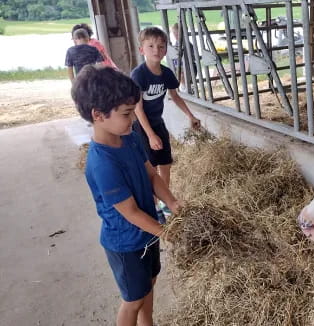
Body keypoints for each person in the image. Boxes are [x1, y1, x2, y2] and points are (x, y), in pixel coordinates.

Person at [71, 65, 181, 326]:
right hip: (125, 242)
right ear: (98, 115)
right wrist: (167, 232)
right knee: (133, 300)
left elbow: (152, 175)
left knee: (149, 283)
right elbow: (130, 212)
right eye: (126, 113)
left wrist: (173, 202)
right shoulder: (102, 163)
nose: (132, 119)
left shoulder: (129, 137)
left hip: (147, 232)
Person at [131, 27, 200, 220]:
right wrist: (150, 135)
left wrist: (190, 115)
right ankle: (154, 207)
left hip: (158, 124)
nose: (156, 50)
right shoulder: (139, 75)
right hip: (142, 128)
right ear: (141, 49)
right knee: (150, 168)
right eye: (151, 46)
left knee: (166, 163)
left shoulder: (166, 73)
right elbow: (138, 109)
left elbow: (175, 96)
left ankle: (164, 201)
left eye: (161, 46)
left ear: (166, 50)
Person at [170, 23, 197, 89]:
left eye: (177, 34)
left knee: (181, 73)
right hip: (178, 66)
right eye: (174, 34)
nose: (175, 36)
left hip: (189, 67)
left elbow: (192, 59)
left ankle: (186, 88)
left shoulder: (188, 44)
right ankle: (183, 88)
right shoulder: (176, 44)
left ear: (184, 33)